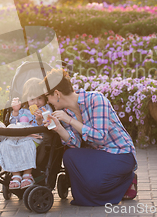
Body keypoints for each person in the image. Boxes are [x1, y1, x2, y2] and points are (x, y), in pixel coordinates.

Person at [40, 69, 137, 206]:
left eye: (47, 96)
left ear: (57, 94)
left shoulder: (96, 99)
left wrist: (70, 121)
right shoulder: (65, 113)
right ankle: (115, 183)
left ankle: (127, 179)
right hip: (99, 156)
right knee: (69, 155)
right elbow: (75, 144)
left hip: (120, 153)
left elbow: (100, 137)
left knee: (94, 184)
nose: (47, 101)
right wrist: (59, 128)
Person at [0, 78, 53, 189]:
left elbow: (49, 125)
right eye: (32, 99)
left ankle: (28, 175)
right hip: (20, 136)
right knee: (7, 144)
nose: (36, 102)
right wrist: (16, 111)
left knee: (26, 144)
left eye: (40, 98)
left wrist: (39, 120)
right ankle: (16, 175)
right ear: (26, 99)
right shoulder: (23, 110)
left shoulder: (46, 109)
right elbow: (14, 123)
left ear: (45, 99)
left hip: (35, 137)